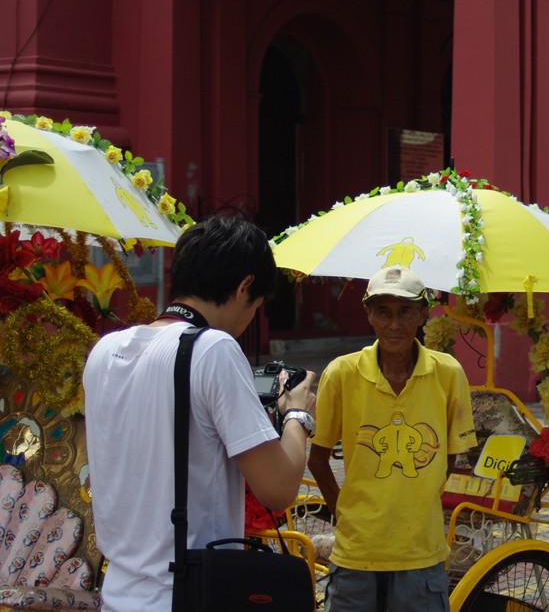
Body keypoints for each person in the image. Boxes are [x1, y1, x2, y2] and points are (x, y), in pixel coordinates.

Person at [83, 215, 317, 612]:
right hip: (185, 594)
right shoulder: (212, 349)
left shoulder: (106, 350)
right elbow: (278, 489)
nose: (247, 322)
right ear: (245, 286)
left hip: (116, 593)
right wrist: (297, 415)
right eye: (256, 306)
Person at [308, 265, 477, 612]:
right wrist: (343, 511)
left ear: (422, 314)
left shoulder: (448, 373)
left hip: (421, 549)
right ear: (368, 313)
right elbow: (317, 458)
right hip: (356, 551)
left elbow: (449, 457)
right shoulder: (341, 372)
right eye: (383, 311)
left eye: (405, 312)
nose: (395, 324)